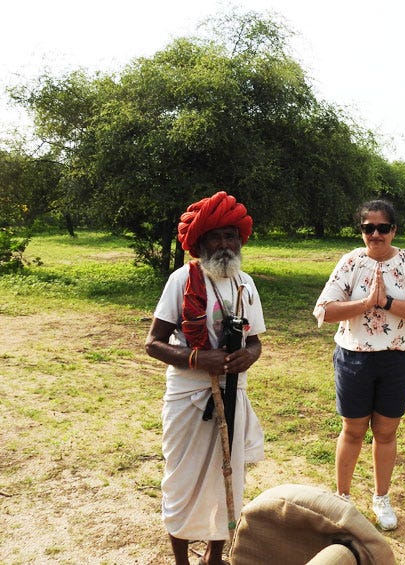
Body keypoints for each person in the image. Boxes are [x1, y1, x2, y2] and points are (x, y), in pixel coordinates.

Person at [145, 191, 266, 565]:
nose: (226, 244)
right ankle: (181, 559)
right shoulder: (182, 280)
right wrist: (198, 357)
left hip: (232, 393)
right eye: (216, 236)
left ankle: (214, 556)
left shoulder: (245, 283)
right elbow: (153, 343)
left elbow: (256, 341)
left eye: (231, 235)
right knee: (180, 479)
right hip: (188, 396)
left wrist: (249, 354)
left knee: (225, 475)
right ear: (199, 243)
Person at [313, 199, 405, 531]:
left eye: (382, 228)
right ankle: (342, 498)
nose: (375, 234)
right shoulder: (351, 262)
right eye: (368, 228)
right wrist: (364, 303)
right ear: (361, 231)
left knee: (385, 433)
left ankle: (381, 498)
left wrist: (386, 302)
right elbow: (325, 311)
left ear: (393, 230)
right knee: (353, 431)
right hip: (353, 357)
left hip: (396, 358)